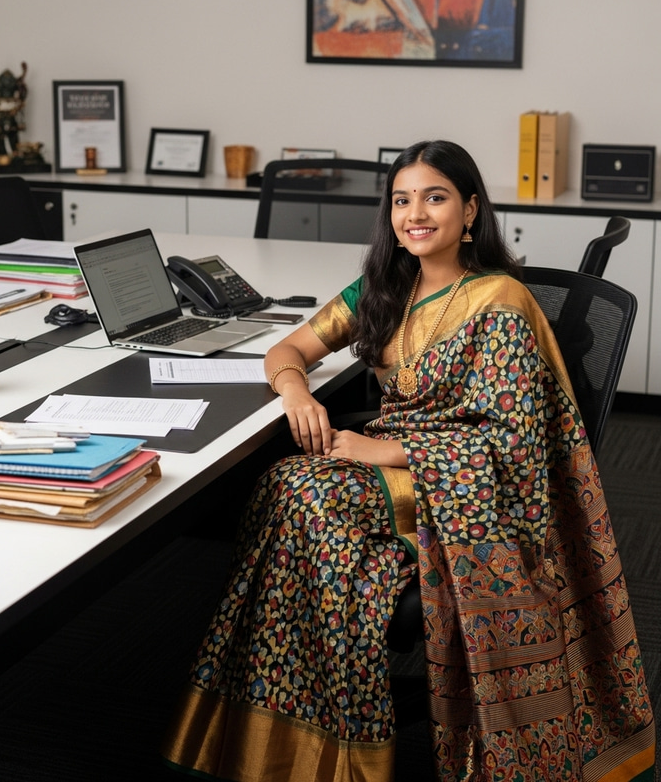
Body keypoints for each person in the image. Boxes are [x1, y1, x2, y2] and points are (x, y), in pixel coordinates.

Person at [161, 140, 655, 781]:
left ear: (470, 210)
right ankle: (297, 722)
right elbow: (287, 349)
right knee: (288, 488)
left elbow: (510, 442)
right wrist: (295, 392)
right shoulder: (384, 288)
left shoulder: (500, 300)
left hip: (467, 487)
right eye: (401, 200)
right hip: (404, 465)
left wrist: (383, 449)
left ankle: (327, 727)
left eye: (434, 197)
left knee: (303, 493)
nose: (415, 214)